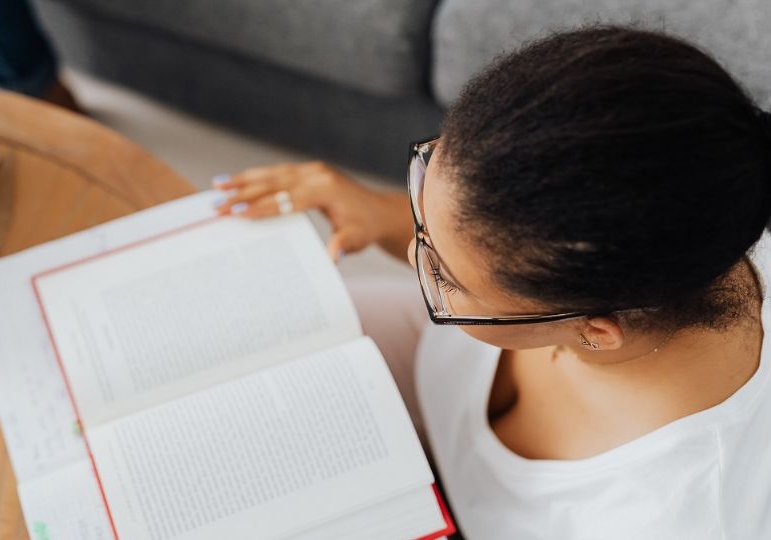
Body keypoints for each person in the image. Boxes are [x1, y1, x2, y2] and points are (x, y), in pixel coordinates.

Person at [212, 26, 771, 539]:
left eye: (447, 279)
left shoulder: (669, 516)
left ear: (595, 332)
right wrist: (377, 212)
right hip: (432, 373)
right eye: (423, 208)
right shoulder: (684, 219)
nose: (411, 252)